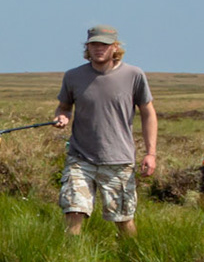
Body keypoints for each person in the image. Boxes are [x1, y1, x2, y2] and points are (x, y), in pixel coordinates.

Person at [51, 25, 156, 237]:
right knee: (73, 212)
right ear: (87, 47)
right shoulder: (73, 76)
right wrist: (62, 117)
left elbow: (148, 113)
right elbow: (64, 107)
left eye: (104, 45)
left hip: (119, 160)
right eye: (94, 44)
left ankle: (133, 257)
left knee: (123, 219)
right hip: (80, 158)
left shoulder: (134, 75)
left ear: (115, 47)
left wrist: (150, 153)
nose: (99, 49)